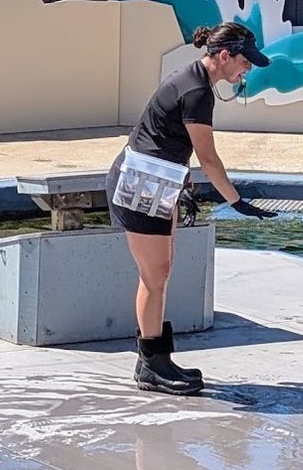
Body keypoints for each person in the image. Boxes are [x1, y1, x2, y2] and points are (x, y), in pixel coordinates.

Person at [106, 22, 277, 395]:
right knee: (155, 275)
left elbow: (163, 135)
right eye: (244, 61)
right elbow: (209, 158)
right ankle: (151, 365)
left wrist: (180, 178)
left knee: (160, 272)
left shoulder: (194, 80)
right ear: (224, 55)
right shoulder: (197, 90)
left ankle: (154, 359)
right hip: (141, 186)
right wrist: (236, 201)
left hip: (155, 182)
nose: (247, 68)